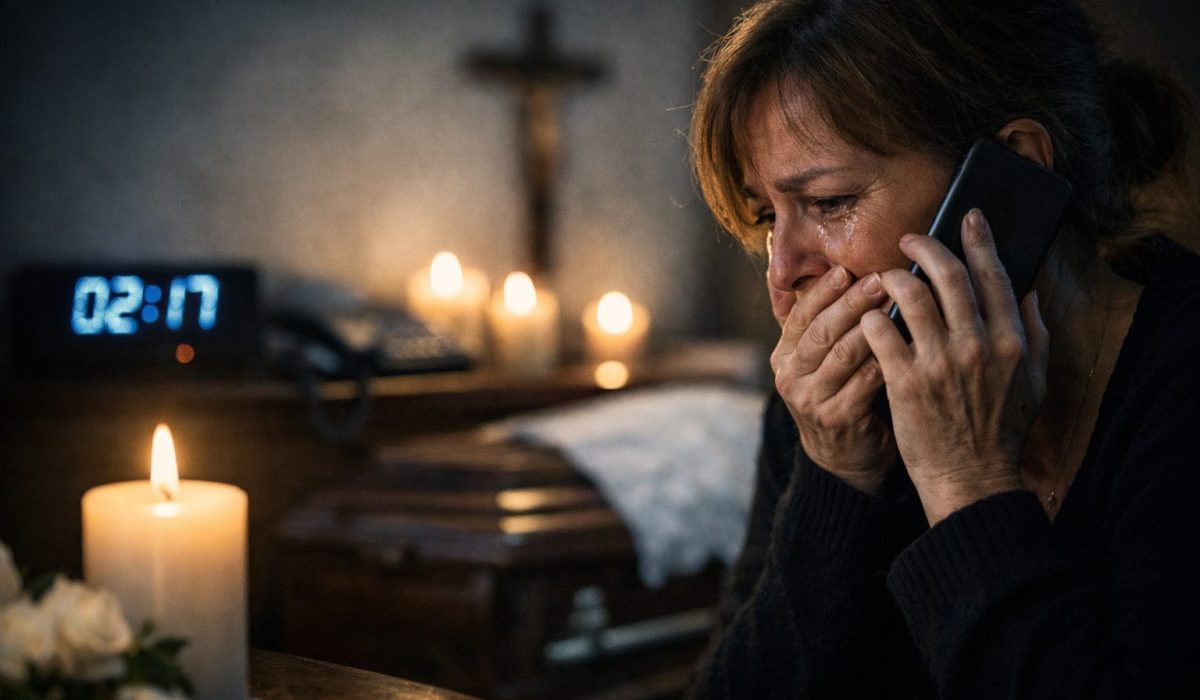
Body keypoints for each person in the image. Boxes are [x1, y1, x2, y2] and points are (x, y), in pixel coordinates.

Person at [686, 0, 1200, 697]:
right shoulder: (841, 400)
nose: (781, 271)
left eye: (831, 202)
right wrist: (836, 482)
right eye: (767, 217)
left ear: (1010, 174)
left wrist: (968, 486)